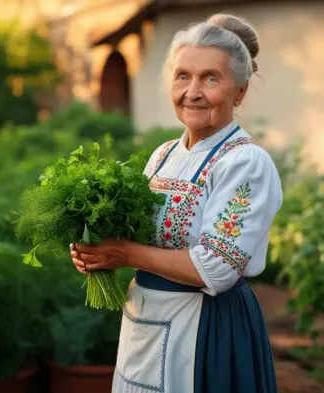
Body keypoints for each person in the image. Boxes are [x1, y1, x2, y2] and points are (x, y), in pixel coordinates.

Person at [70, 13, 282, 393]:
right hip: (143, 321)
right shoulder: (163, 155)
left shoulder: (244, 162)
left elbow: (216, 269)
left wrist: (126, 253)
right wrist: (97, 253)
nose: (193, 91)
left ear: (240, 92)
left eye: (210, 78)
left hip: (207, 330)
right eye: (183, 76)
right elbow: (136, 240)